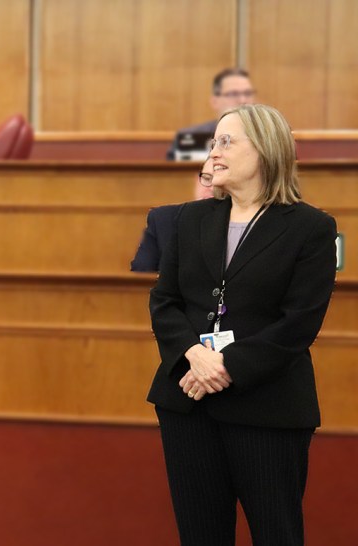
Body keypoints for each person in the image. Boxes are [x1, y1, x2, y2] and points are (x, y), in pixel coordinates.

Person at [148, 104, 337, 545]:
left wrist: (225, 366)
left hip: (267, 407)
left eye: (226, 142)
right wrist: (194, 355)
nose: (213, 153)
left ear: (266, 150)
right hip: (189, 403)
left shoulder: (311, 228)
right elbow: (164, 301)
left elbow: (299, 323)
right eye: (212, 143)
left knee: (277, 534)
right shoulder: (187, 219)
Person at [130, 158, 216, 272]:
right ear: (197, 181)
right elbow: (140, 277)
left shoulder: (242, 224)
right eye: (207, 179)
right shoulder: (163, 220)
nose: (212, 188)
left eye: (220, 182)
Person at [166, 68, 256, 160]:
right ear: (214, 102)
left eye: (248, 93)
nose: (243, 100)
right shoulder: (191, 137)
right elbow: (172, 174)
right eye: (233, 94)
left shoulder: (264, 136)